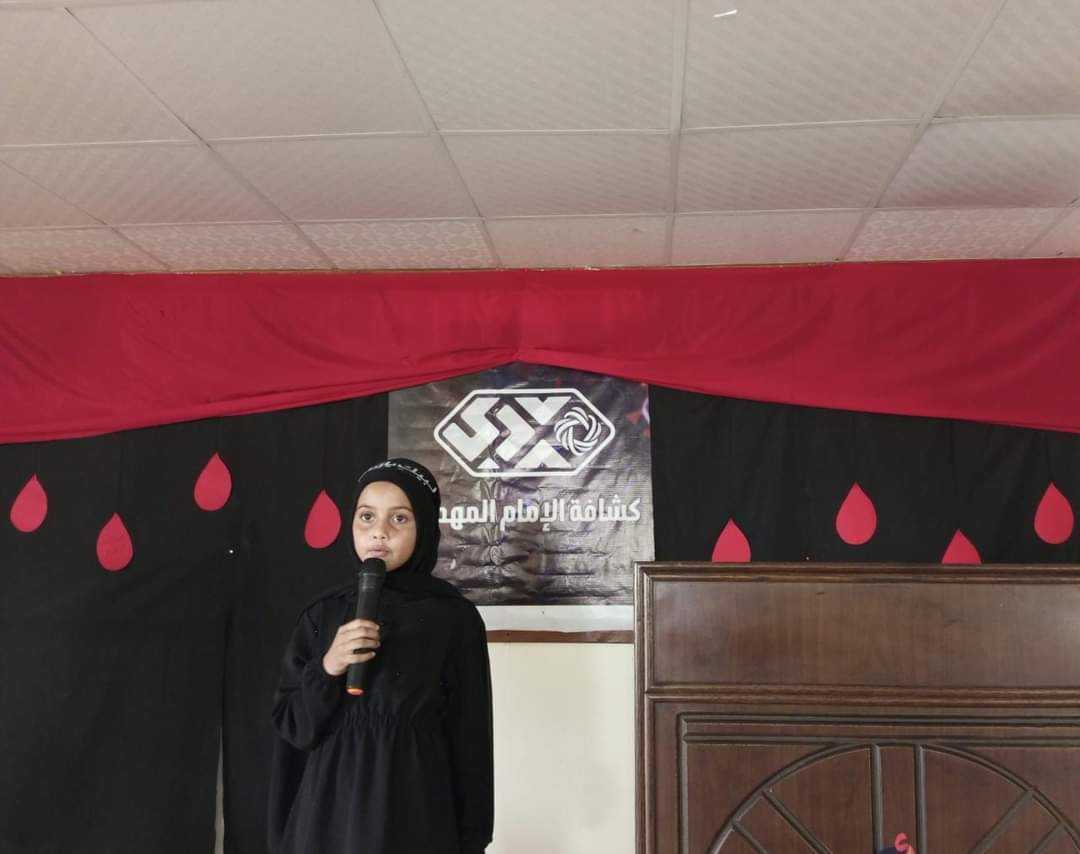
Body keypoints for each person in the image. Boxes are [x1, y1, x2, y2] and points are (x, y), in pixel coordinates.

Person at [267, 458, 494, 853]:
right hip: (328, 816)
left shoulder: (454, 618)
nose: (379, 532)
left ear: (425, 527)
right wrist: (328, 667)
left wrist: (472, 839)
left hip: (413, 812)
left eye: (399, 519)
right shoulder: (322, 614)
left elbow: (470, 738)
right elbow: (293, 729)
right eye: (367, 516)